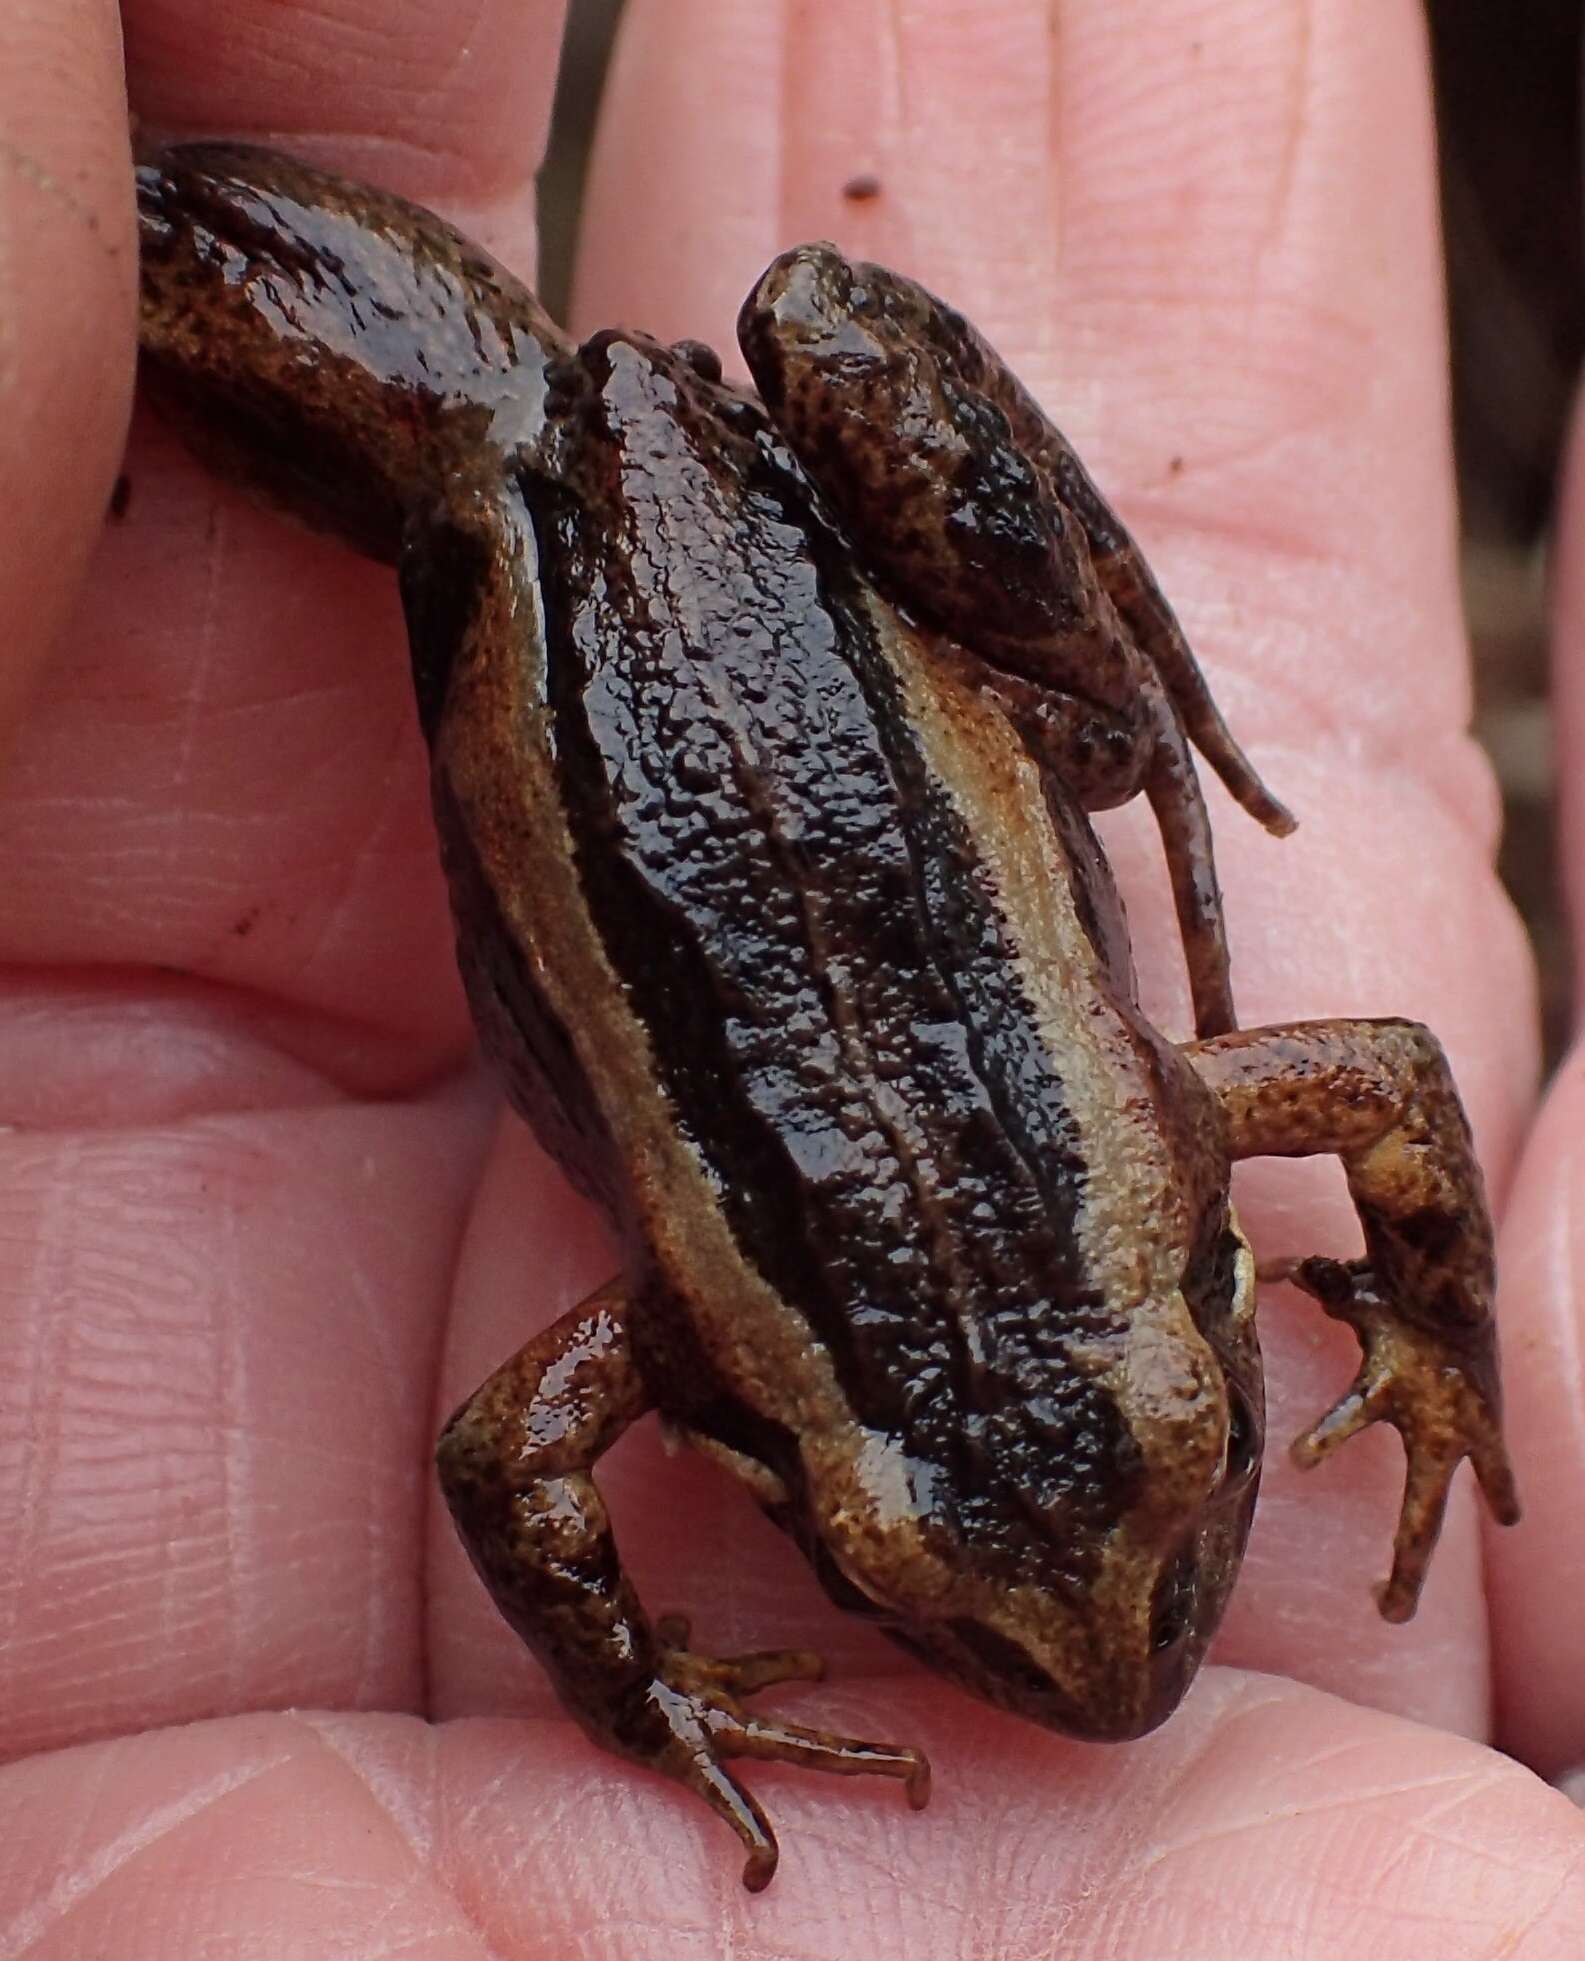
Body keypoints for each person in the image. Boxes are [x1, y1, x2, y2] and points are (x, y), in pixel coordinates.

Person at [2, 0, 1582, 1949]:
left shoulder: (1108, 1164)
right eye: (904, 1580)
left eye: (1192, 1454)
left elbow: (508, 1457)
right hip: (573, 558)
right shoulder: (1095, 1157)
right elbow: (1392, 1085)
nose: (1121, 1666)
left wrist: (636, 1680)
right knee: (455, 421)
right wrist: (1428, 1333)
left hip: (674, 550)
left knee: (590, 407)